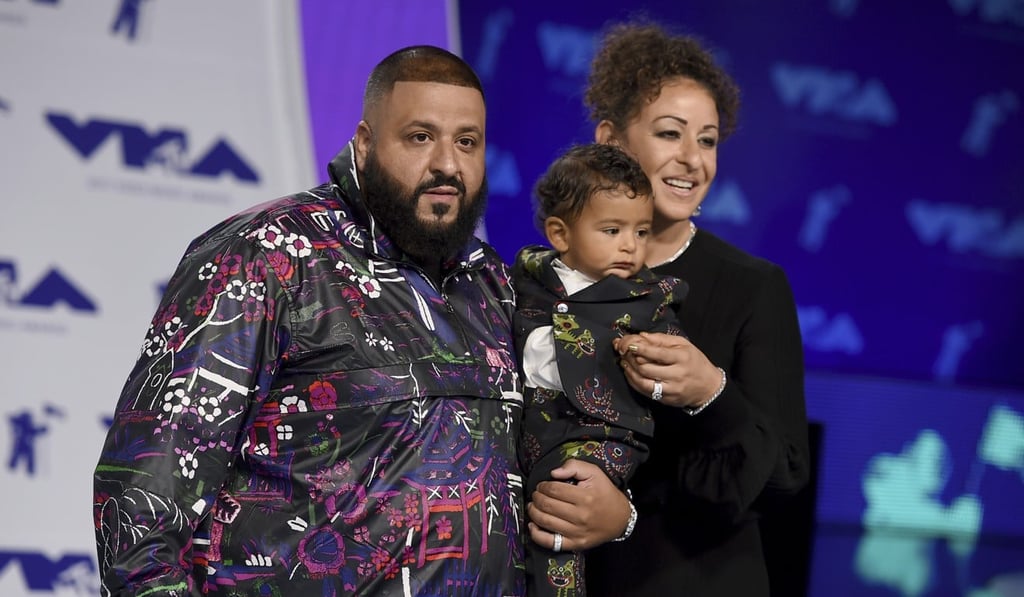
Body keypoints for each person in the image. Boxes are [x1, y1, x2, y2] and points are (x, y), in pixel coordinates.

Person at [92, 45, 625, 597]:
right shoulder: (269, 254)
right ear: (365, 144)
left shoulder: (491, 281)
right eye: (420, 137)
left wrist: (617, 508)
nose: (447, 163)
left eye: (467, 142)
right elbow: (140, 501)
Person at [527, 21, 811, 597]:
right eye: (670, 134)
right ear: (610, 140)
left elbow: (785, 477)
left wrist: (712, 391)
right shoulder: (540, 277)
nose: (691, 160)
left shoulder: (752, 287)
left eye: (706, 140)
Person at [513, 143, 684, 596]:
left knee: (558, 513)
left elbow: (675, 356)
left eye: (642, 232)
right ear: (560, 233)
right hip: (525, 431)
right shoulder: (523, 282)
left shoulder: (648, 299)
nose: (631, 246)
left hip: (600, 436)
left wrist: (649, 351)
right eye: (612, 230)